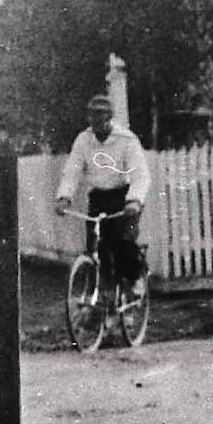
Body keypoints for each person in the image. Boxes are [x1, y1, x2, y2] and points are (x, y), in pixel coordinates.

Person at [55, 94, 152, 295]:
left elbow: (140, 175)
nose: (96, 124)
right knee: (95, 248)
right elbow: (73, 170)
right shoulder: (84, 139)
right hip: (98, 198)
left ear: (110, 118)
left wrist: (134, 201)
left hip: (123, 198)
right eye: (92, 118)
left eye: (101, 118)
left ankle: (134, 282)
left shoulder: (126, 140)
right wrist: (64, 197)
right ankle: (100, 298)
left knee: (123, 242)